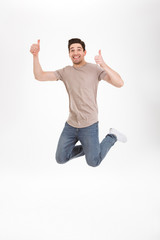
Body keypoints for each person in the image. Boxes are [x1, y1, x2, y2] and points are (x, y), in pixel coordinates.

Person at [30, 38, 127, 167]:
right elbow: (39, 76)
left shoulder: (94, 69)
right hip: (71, 125)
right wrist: (35, 56)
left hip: (89, 125)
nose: (75, 52)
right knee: (61, 158)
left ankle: (112, 136)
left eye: (79, 49)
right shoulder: (65, 72)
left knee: (93, 161)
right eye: (72, 50)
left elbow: (119, 83)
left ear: (85, 52)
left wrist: (103, 65)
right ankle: (92, 148)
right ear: (69, 54)